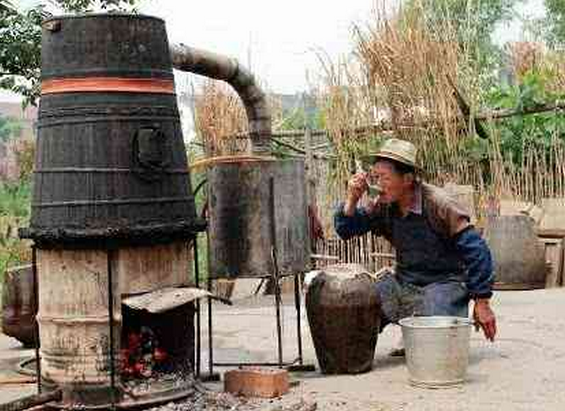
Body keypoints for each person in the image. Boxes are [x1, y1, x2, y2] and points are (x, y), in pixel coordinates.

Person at [334, 138, 497, 343]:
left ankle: (419, 329)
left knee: (434, 338)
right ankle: (409, 327)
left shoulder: (440, 204)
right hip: (404, 282)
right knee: (360, 305)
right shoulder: (382, 205)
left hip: (444, 284)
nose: (377, 185)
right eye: (374, 177)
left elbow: (477, 251)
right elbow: (346, 229)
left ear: (407, 179)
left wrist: (482, 302)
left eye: (384, 178)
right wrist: (352, 199)